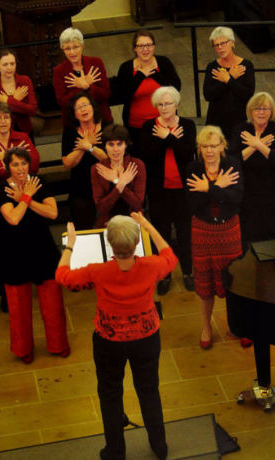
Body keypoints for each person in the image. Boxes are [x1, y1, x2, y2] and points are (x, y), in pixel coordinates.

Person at [56, 213, 175, 460]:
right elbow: (169, 256)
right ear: (135, 244)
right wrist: (147, 225)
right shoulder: (151, 266)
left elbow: (62, 276)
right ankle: (159, 445)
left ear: (109, 243)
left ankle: (115, 450)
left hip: (108, 341)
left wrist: (70, 245)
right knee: (149, 390)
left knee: (110, 394)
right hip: (146, 338)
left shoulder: (98, 271)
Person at [0, 147, 69, 364]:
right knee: (18, 306)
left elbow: (53, 213)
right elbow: (13, 219)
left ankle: (58, 344)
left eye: (24, 163)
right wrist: (26, 197)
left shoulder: (39, 182)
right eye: (15, 164)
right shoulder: (2, 188)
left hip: (42, 247)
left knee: (53, 302)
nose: (20, 168)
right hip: (14, 251)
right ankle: (22, 349)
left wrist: (25, 197)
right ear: (7, 167)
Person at [0, 102, 40, 312]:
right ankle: (7, 296)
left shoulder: (22, 138)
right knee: (4, 254)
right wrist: (13, 162)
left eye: (6, 117)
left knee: (26, 248)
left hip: (24, 202)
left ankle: (25, 292)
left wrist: (3, 161)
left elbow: (34, 165)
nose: (3, 122)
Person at [185, 126, 243, 350]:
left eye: (213, 145)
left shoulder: (233, 164)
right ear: (200, 148)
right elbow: (193, 203)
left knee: (234, 280)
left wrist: (208, 188)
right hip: (202, 229)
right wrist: (219, 186)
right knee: (204, 281)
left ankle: (239, 325)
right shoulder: (193, 168)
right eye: (204, 146)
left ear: (222, 146)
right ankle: (206, 327)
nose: (209, 150)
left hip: (229, 228)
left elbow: (237, 198)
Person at [137, 86, 196, 294]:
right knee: (161, 233)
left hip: (183, 190)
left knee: (185, 233)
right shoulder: (148, 127)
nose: (164, 107)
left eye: (168, 103)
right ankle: (165, 274)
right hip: (159, 190)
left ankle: (188, 272)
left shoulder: (188, 125)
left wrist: (167, 138)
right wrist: (169, 139)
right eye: (160, 104)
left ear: (177, 105)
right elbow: (148, 156)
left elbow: (188, 155)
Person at [227, 92, 275, 245]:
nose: (261, 112)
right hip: (249, 187)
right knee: (251, 232)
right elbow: (233, 160)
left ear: (271, 111)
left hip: (273, 186)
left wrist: (256, 144)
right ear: (250, 111)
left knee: (274, 232)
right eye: (257, 109)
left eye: (265, 109)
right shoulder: (241, 128)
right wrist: (258, 146)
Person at [115, 30, 180, 145]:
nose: (145, 49)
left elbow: (176, 87)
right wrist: (140, 75)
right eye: (141, 46)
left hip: (165, 122)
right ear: (135, 48)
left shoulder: (163, 62)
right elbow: (121, 95)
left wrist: (154, 73)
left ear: (154, 46)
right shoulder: (126, 67)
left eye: (149, 45)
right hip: (136, 126)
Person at [62, 91, 107, 229]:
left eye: (85, 105)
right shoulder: (70, 131)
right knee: (84, 231)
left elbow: (109, 159)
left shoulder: (106, 127)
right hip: (81, 190)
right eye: (78, 108)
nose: (83, 109)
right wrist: (84, 145)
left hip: (106, 188)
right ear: (74, 114)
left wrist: (90, 147)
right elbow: (67, 163)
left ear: (93, 107)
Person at [203, 26, 256, 139]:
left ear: (232, 43)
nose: (220, 48)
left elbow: (247, 94)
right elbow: (208, 95)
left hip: (240, 120)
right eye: (216, 45)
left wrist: (228, 80)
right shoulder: (212, 67)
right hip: (216, 121)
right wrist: (230, 78)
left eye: (223, 43)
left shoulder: (246, 66)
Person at [53, 27, 113, 124]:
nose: (72, 52)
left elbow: (106, 94)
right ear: (62, 49)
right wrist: (81, 87)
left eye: (75, 47)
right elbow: (62, 102)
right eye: (67, 49)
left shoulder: (96, 63)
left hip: (101, 119)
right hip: (74, 122)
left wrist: (88, 87)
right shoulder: (59, 71)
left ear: (82, 46)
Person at [91, 125, 146, 228]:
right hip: (108, 224)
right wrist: (121, 184)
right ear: (105, 146)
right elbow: (101, 208)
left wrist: (116, 181)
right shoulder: (97, 169)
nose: (115, 149)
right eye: (111, 144)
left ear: (126, 145)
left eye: (119, 144)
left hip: (135, 223)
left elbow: (137, 205)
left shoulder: (137, 165)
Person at [0, 49, 38, 140]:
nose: (9, 68)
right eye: (5, 64)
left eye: (12, 64)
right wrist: (15, 99)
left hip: (26, 131)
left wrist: (8, 101)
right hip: (3, 134)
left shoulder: (25, 81)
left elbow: (32, 109)